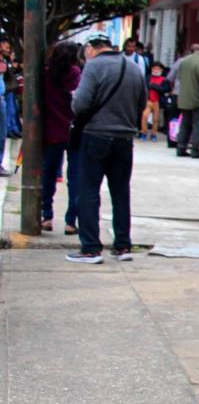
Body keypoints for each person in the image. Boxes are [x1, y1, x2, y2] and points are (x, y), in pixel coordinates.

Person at [67, 32, 148, 264]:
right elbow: (141, 104)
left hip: (96, 135)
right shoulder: (133, 67)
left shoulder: (93, 67)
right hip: (124, 138)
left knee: (89, 190)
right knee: (121, 192)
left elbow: (80, 104)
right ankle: (123, 246)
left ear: (91, 48)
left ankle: (91, 248)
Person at [41, 41, 82, 232]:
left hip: (51, 130)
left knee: (48, 174)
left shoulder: (46, 74)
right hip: (73, 130)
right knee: (75, 176)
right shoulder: (76, 75)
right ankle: (70, 221)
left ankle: (46, 216)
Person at [140, 62, 169, 141]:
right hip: (148, 100)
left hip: (157, 101)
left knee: (156, 119)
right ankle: (144, 133)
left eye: (158, 69)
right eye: (154, 68)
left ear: (161, 70)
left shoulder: (164, 80)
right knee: (144, 116)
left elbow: (164, 89)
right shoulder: (147, 78)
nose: (156, 70)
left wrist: (153, 86)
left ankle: (153, 134)